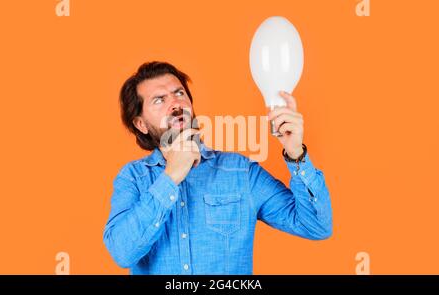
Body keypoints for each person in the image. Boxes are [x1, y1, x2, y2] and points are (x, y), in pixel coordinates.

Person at [103, 61, 333, 274]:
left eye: (179, 93)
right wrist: (170, 177)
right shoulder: (132, 178)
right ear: (141, 124)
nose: (175, 104)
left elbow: (315, 226)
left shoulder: (240, 172)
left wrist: (296, 154)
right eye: (159, 100)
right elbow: (122, 253)